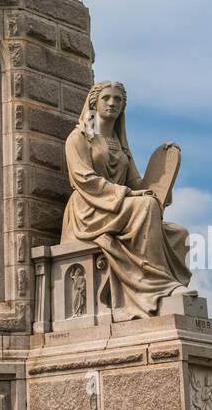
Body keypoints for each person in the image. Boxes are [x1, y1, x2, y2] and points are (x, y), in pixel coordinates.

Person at [61, 80, 191, 320]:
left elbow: (137, 185)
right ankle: (156, 288)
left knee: (178, 233)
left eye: (118, 99)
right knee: (146, 206)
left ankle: (165, 285)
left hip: (119, 207)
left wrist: (164, 167)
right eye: (106, 98)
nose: (112, 103)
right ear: (93, 103)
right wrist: (128, 195)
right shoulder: (79, 138)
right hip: (90, 208)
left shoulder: (120, 147)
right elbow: (84, 178)